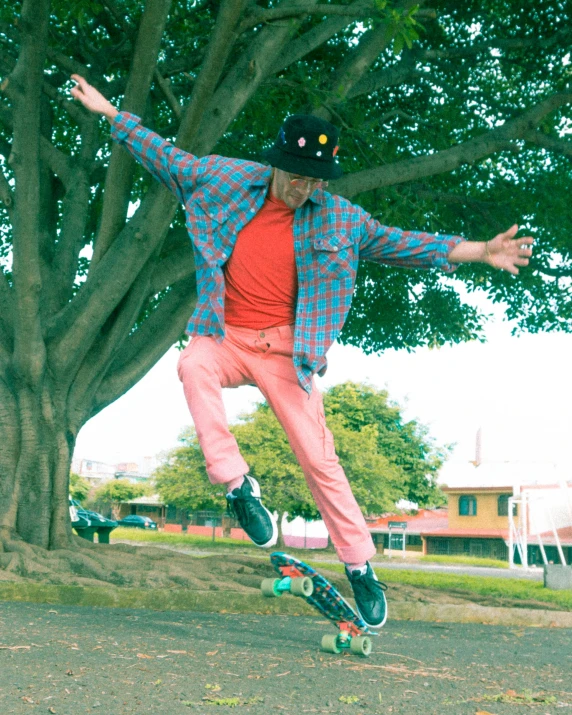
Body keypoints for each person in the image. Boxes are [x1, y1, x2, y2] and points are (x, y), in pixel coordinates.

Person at [70, 75, 533, 629]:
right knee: (190, 364)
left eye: (314, 181)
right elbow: (161, 153)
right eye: (295, 177)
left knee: (318, 459)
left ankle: (360, 565)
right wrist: (107, 111)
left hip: (288, 351)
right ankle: (237, 485)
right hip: (224, 336)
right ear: (276, 164)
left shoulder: (340, 218)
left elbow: (406, 244)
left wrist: (481, 250)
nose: (302, 189)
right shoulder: (218, 178)